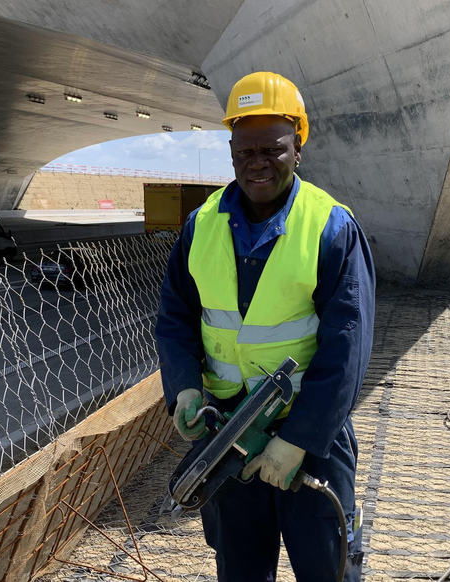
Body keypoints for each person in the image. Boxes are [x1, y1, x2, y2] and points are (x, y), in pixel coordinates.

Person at [156, 71, 375, 582]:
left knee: (327, 568)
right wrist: (184, 388)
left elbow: (348, 347)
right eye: (244, 150)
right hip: (226, 432)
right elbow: (175, 319)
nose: (256, 163)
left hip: (310, 441)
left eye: (272, 149)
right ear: (231, 148)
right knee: (240, 569)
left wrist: (298, 439)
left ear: (298, 145)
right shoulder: (201, 226)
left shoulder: (330, 226)